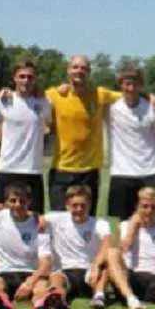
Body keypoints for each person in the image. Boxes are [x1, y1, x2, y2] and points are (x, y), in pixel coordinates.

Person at [45, 55, 121, 213]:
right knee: (59, 220)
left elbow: (129, 94)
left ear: (89, 72)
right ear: (68, 70)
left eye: (83, 68)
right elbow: (32, 95)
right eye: (75, 67)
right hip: (61, 170)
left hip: (89, 172)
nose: (79, 71)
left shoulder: (100, 94)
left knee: (87, 221)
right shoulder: (55, 95)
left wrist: (149, 96)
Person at [0, 183, 56, 309]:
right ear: (5, 202)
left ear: (29, 202)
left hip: (31, 272)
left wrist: (29, 283)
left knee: (41, 287)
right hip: (5, 272)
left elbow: (46, 263)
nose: (18, 205)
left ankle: (41, 304)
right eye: (13, 200)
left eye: (22, 201)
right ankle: (2, 303)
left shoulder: (39, 224)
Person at [105, 67, 155, 220]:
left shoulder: (153, 107)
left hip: (150, 172)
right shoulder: (111, 107)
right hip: (121, 173)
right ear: (120, 85)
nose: (131, 88)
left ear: (141, 85)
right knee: (120, 224)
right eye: (127, 84)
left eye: (135, 84)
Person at [0, 60, 51, 212]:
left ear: (35, 79)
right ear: (14, 78)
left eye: (30, 77)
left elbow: (52, 125)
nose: (26, 80)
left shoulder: (43, 102)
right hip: (7, 168)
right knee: (1, 217)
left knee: (35, 218)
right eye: (22, 76)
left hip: (32, 170)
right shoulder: (4, 100)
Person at [43, 185, 113, 309]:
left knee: (107, 266)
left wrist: (96, 265)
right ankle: (58, 299)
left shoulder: (100, 223)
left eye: (83, 205)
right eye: (75, 205)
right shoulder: (55, 218)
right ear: (67, 205)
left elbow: (107, 245)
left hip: (90, 272)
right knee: (56, 277)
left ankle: (99, 296)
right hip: (65, 271)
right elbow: (34, 218)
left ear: (90, 205)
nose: (79, 209)